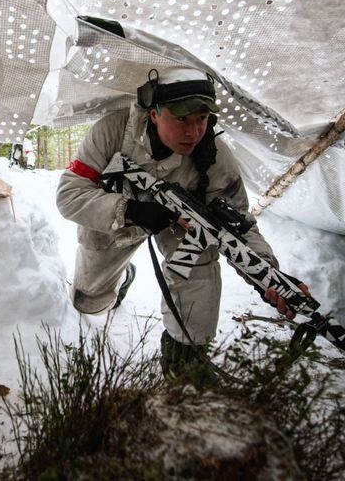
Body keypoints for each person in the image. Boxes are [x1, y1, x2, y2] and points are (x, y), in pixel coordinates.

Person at [56, 67, 308, 370]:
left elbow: (238, 226)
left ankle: (185, 361)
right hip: (114, 220)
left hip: (178, 227)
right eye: (182, 119)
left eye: (201, 119)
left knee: (198, 262)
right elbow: (70, 196)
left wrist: (267, 275)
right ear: (153, 113)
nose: (193, 132)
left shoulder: (214, 158)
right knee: (89, 301)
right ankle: (122, 278)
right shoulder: (112, 132)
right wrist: (132, 210)